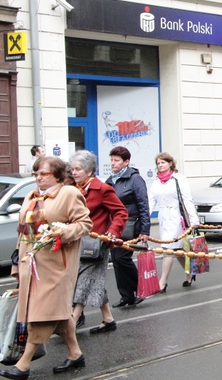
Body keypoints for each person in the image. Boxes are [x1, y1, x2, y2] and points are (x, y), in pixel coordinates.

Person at [0, 157, 93, 379]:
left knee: (42, 313)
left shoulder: (68, 193)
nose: (39, 178)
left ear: (59, 175)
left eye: (44, 174)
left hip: (56, 266)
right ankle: (75, 354)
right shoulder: (32, 195)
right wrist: (17, 263)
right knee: (58, 311)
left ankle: (23, 364)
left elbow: (84, 224)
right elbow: (24, 232)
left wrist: (62, 232)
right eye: (36, 174)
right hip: (31, 265)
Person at [69, 151, 128, 334]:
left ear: (90, 170)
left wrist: (112, 232)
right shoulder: (71, 189)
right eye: (72, 169)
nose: (74, 173)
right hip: (74, 243)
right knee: (93, 281)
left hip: (95, 245)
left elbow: (121, 212)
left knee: (84, 281)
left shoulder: (102, 189)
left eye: (78, 169)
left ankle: (71, 321)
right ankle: (108, 319)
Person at [106, 146, 151, 308]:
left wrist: (145, 229)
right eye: (111, 160)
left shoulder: (135, 179)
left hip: (131, 224)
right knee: (116, 260)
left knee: (122, 258)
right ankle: (126, 295)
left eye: (117, 160)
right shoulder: (110, 180)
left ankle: (139, 288)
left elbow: (143, 204)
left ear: (126, 162)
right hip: (114, 226)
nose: (113, 163)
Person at [149, 152, 199, 292]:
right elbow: (151, 201)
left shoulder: (179, 179)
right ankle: (190, 273)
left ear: (170, 164)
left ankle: (162, 282)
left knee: (168, 249)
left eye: (163, 162)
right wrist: (144, 217)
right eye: (158, 163)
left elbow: (187, 200)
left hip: (177, 218)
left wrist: (194, 220)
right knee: (178, 251)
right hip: (163, 218)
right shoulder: (156, 182)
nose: (160, 165)